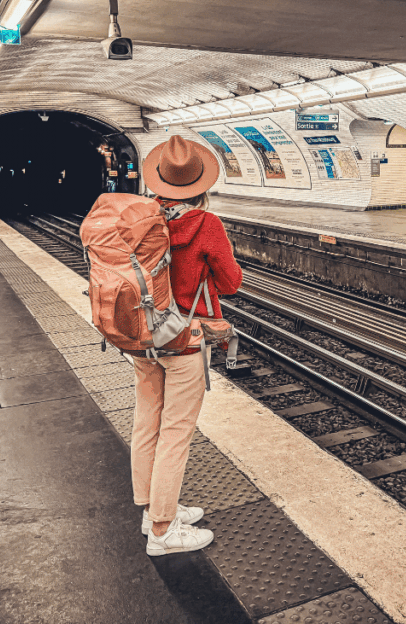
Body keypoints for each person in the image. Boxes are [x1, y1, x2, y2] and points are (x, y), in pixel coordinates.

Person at [132, 135, 243, 556]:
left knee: (147, 424)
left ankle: (153, 511)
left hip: (141, 336)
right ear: (201, 185)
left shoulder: (141, 217)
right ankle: (163, 532)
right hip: (182, 339)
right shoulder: (205, 225)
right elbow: (231, 283)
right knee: (176, 434)